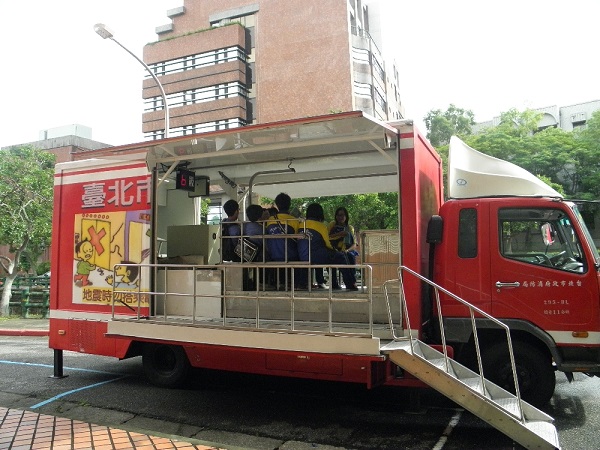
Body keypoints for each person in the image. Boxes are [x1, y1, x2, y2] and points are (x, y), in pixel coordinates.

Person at [298, 203, 357, 290]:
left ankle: (334, 283)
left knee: (336, 256)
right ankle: (351, 284)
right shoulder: (320, 226)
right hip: (316, 256)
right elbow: (327, 244)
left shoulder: (301, 225)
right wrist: (335, 251)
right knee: (340, 256)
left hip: (302, 255)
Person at [266, 193, 300, 288]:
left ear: (277, 205)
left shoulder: (269, 220)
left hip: (274, 256)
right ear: (289, 205)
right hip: (291, 256)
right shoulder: (294, 220)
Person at [328, 207, 359, 289]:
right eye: (338, 215)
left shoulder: (349, 228)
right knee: (335, 256)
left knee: (350, 256)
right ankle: (335, 284)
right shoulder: (332, 225)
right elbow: (327, 237)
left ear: (346, 216)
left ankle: (351, 283)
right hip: (333, 249)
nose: (340, 217)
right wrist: (339, 234)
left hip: (346, 250)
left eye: (342, 215)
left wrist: (347, 250)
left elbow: (354, 244)